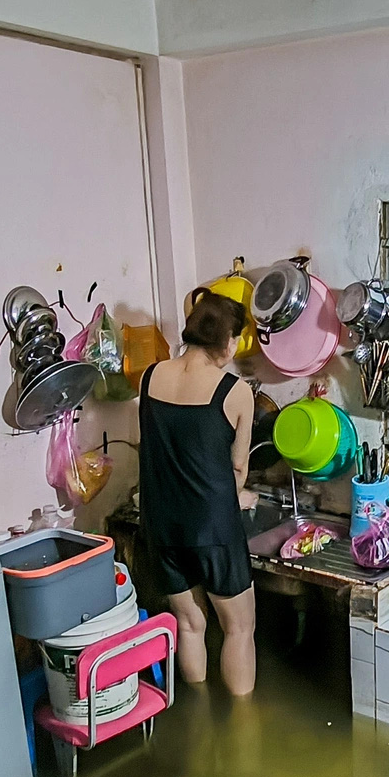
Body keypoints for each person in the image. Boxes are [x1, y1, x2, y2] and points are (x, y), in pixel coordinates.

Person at [138, 290, 258, 695]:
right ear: (228, 342)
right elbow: (238, 467)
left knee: (190, 624)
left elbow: (161, 448)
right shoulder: (235, 391)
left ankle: (200, 718)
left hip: (161, 526)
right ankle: (243, 731)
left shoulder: (150, 376)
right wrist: (229, 497)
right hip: (211, 530)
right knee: (239, 628)